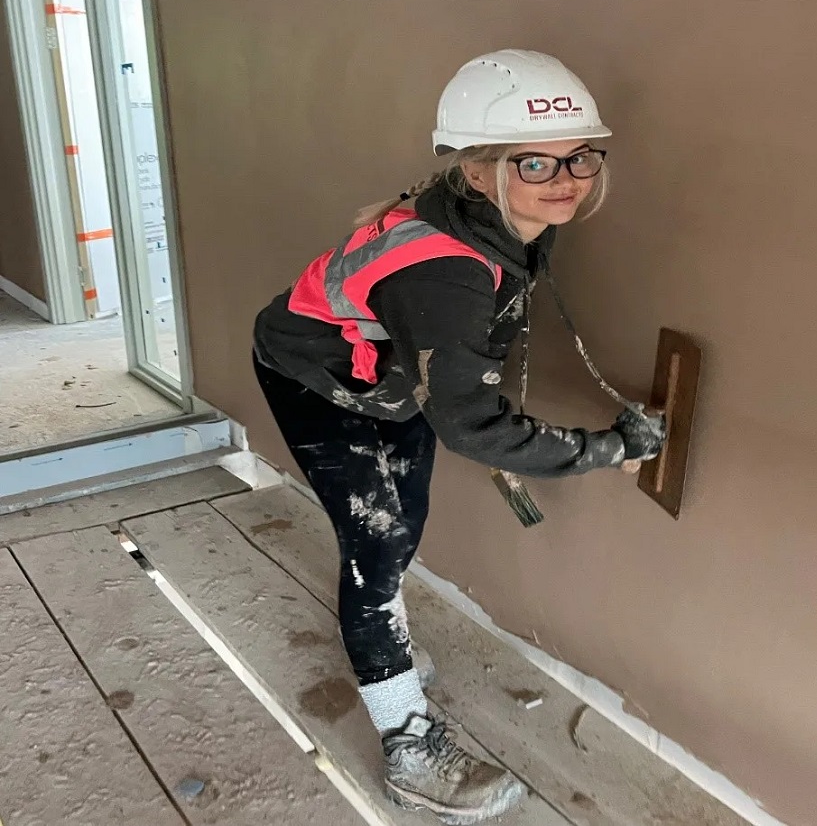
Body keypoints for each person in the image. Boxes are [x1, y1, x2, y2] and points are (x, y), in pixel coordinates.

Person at [252, 49, 666, 824]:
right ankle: (408, 741)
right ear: (478, 171)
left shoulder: (510, 217)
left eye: (580, 156)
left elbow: (456, 383)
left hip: (394, 375)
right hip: (317, 374)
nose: (565, 178)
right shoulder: (446, 275)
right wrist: (606, 448)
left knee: (404, 521)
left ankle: (388, 650)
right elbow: (471, 422)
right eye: (535, 161)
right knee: (377, 543)